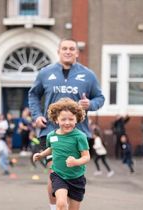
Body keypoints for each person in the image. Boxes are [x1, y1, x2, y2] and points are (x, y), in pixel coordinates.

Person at [28, 38, 105, 210]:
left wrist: (90, 104)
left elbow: (100, 98)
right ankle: (55, 207)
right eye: (64, 48)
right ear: (59, 51)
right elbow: (33, 95)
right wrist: (37, 115)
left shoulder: (88, 75)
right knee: (54, 171)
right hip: (49, 131)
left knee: (72, 175)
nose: (68, 51)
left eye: (72, 48)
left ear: (77, 52)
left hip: (79, 133)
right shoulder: (45, 73)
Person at [33, 98, 90, 210]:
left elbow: (86, 157)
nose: (67, 122)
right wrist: (41, 155)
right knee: (61, 204)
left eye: (71, 119)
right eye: (63, 119)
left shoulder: (80, 137)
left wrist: (76, 162)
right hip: (58, 175)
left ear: (76, 119)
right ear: (56, 120)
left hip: (77, 178)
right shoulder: (51, 136)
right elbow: (52, 148)